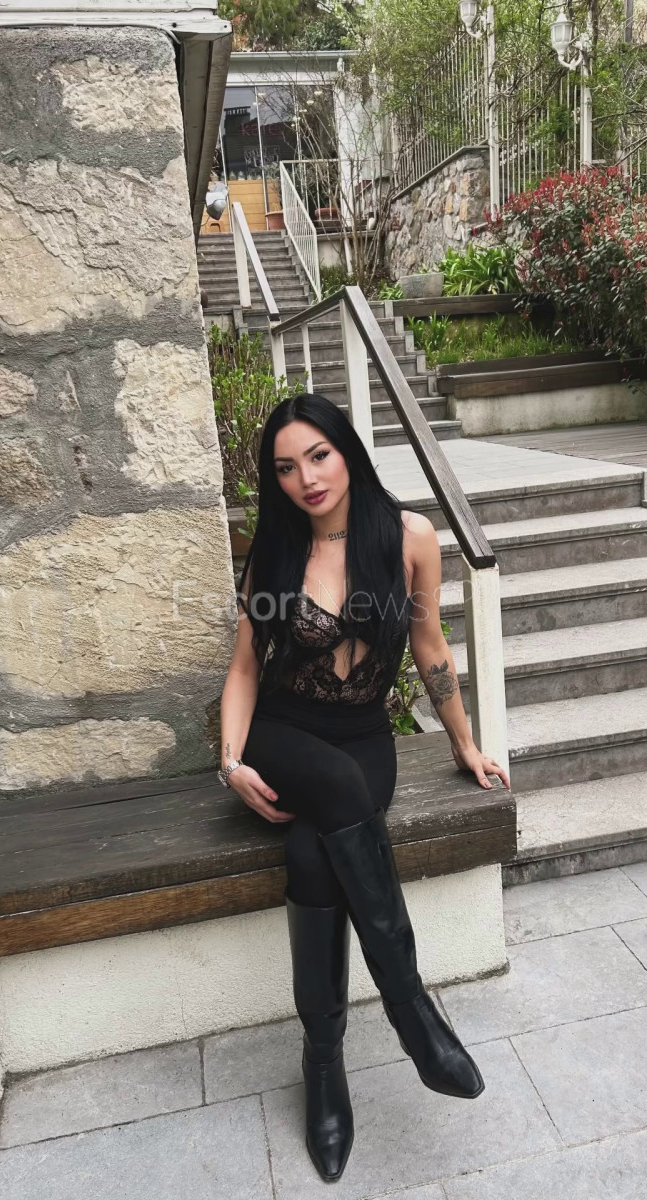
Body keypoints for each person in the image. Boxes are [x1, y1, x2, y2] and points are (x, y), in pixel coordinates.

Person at [218, 392, 510, 1183]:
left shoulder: (408, 536)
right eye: (286, 467)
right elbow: (243, 669)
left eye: (317, 455)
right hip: (283, 734)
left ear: (345, 450)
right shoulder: (275, 553)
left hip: (362, 737)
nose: (306, 478)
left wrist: (464, 742)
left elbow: (428, 645)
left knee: (313, 855)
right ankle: (413, 1014)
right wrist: (231, 761)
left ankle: (322, 1067)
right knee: (334, 788)